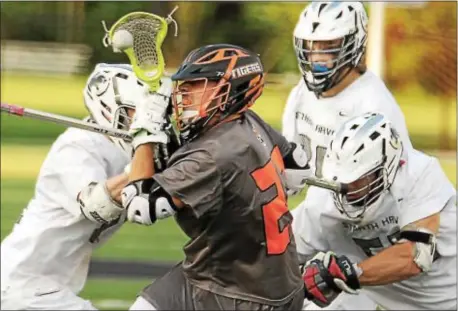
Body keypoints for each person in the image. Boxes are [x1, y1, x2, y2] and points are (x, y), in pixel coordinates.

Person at [119, 44, 307, 310]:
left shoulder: (213, 154)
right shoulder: (250, 122)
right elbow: (299, 168)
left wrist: (144, 136)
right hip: (268, 277)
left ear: (234, 89)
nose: (184, 95)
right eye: (183, 87)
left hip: (235, 290)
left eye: (197, 85)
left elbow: (140, 207)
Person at [281, 3, 418, 308]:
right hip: (320, 225)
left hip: (363, 239)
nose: (316, 57)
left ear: (353, 43)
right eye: (310, 47)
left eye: (328, 47)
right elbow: (291, 172)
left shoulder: (373, 105)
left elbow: (372, 198)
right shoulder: (300, 95)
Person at [0, 63, 152, 310]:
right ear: (108, 107)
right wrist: (144, 166)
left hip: (45, 287)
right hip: (21, 286)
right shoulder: (77, 146)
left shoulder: (128, 149)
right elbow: (96, 205)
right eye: (138, 111)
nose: (146, 121)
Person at [297, 112, 456, 310]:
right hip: (370, 296)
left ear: (386, 167)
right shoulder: (322, 199)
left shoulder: (419, 174)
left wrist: (348, 274)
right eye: (343, 179)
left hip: (448, 298)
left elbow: (415, 256)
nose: (347, 189)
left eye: (358, 178)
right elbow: (280, 253)